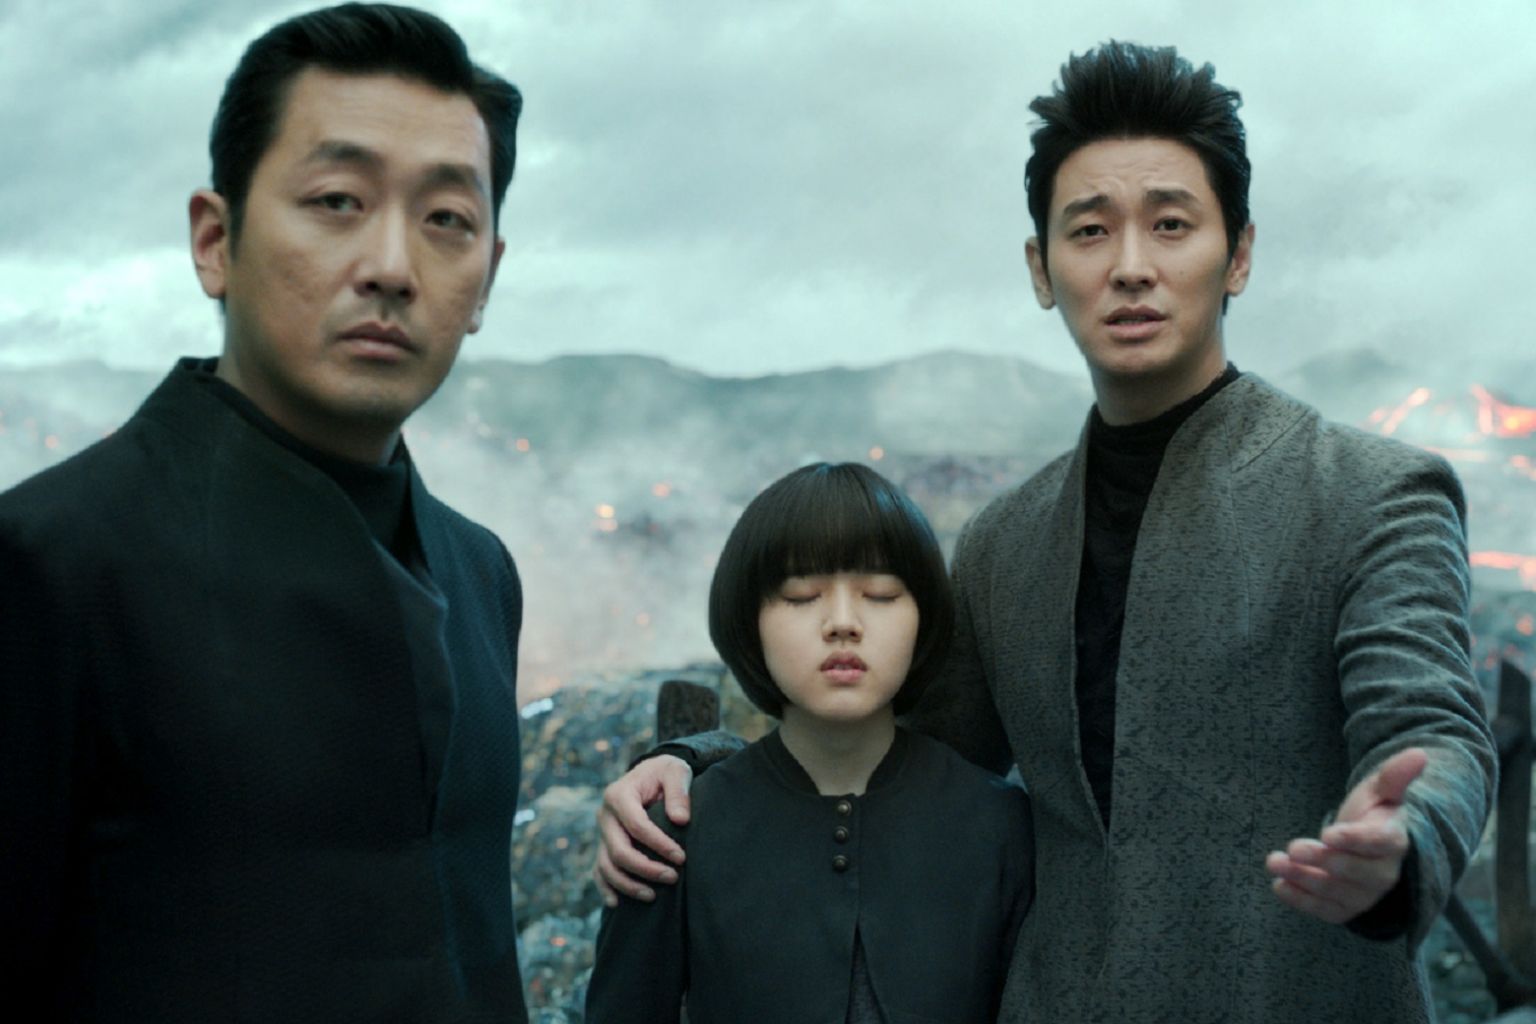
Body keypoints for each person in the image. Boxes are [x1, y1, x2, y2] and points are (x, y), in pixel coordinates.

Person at [594, 42, 1497, 1022]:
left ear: (1239, 253)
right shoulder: (1005, 543)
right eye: (1091, 230)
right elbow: (895, 748)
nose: (1131, 267)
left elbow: (1433, 729)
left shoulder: (1369, 492)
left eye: (1171, 224)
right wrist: (698, 765)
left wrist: (1405, 837)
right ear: (1041, 267)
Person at [0, 5, 530, 1020]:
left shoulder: (480, 572)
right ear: (216, 240)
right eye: (337, 200)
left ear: (485, 281)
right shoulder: (49, 565)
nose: (391, 265)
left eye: (446, 219)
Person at [584, 463, 1033, 1023]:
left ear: (925, 617)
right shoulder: (673, 835)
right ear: (749, 621)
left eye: (880, 593)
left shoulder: (998, 825)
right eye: (801, 595)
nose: (842, 623)